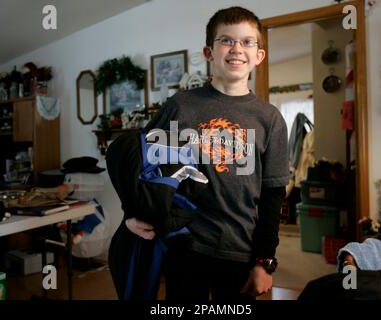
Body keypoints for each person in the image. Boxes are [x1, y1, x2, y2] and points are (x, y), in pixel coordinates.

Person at [123, 6, 289, 301]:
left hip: (241, 250)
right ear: (209, 52)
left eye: (247, 41)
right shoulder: (181, 106)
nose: (236, 48)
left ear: (259, 56)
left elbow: (272, 195)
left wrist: (265, 260)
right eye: (226, 40)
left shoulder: (270, 118)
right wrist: (130, 215)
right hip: (186, 245)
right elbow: (143, 165)